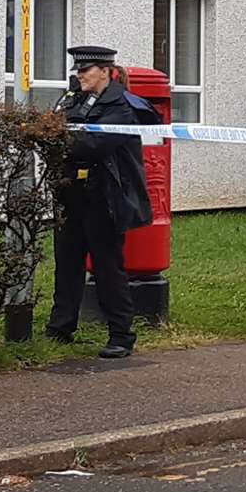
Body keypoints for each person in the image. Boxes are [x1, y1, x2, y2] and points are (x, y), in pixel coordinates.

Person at [45, 45, 161, 358]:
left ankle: (121, 335)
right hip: (71, 192)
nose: (79, 76)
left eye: (85, 70)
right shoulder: (73, 99)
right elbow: (54, 133)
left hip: (104, 197)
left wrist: (63, 139)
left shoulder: (121, 106)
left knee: (108, 267)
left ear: (105, 72)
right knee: (67, 263)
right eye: (77, 71)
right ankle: (60, 327)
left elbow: (95, 145)